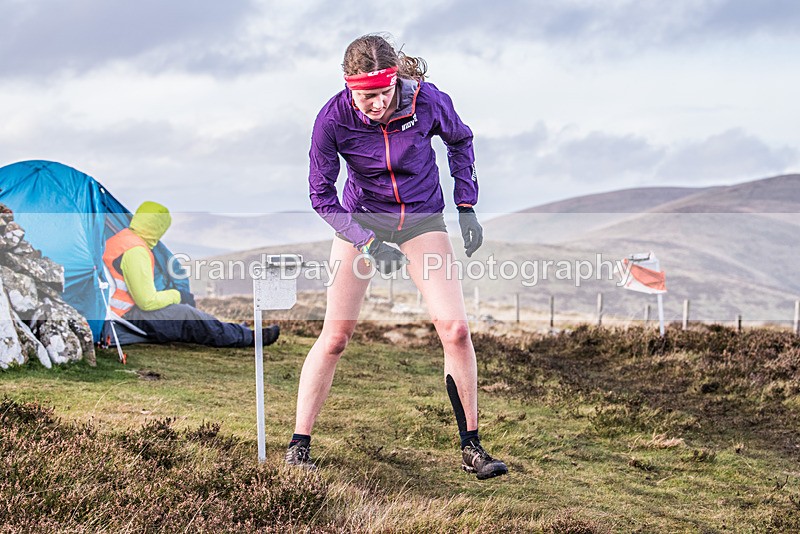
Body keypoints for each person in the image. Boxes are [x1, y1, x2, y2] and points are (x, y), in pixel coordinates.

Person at [285, 34, 507, 480]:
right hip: (362, 221)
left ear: (395, 81)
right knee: (335, 337)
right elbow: (320, 196)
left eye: (384, 93)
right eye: (366, 96)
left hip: (422, 220)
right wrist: (365, 240)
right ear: (350, 89)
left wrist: (467, 205)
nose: (376, 104)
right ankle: (298, 446)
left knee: (456, 329)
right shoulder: (332, 119)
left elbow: (461, 141)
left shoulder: (427, 101)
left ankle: (472, 448)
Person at [102, 201, 279, 348]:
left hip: (115, 313)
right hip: (126, 316)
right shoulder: (136, 251)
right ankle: (249, 338)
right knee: (186, 314)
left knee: (189, 315)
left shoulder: (122, 238)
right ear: (158, 227)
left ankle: (237, 330)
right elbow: (147, 302)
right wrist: (176, 295)